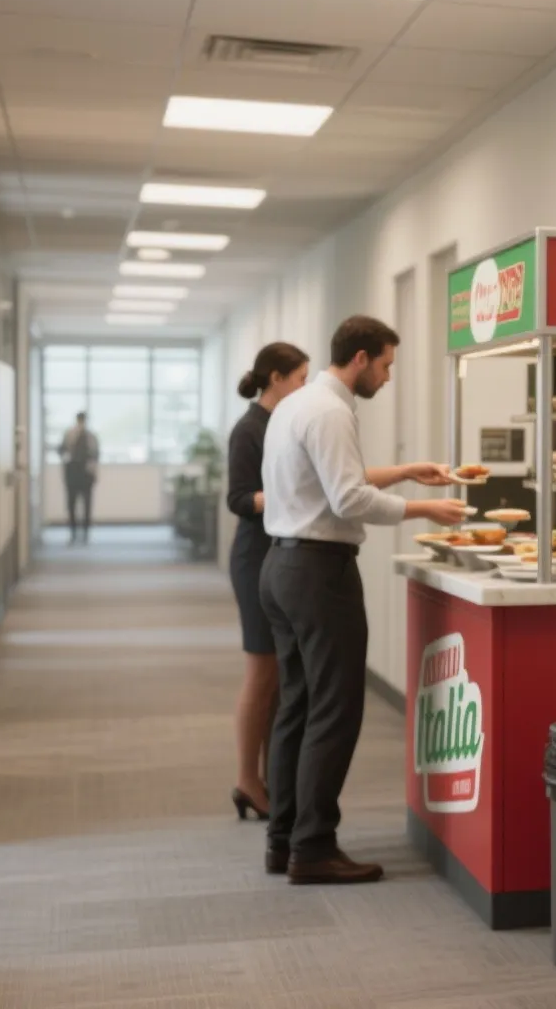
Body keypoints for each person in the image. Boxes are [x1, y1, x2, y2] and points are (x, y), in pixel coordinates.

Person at [259, 316, 466, 885]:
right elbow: (348, 499)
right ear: (360, 359)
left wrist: (405, 473)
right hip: (317, 575)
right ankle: (314, 847)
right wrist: (429, 511)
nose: (388, 377)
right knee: (334, 709)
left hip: (281, 565)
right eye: (386, 365)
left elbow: (329, 480)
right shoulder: (329, 411)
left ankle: (284, 840)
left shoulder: (297, 406)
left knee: (297, 708)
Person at [225, 342, 310, 823]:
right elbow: (238, 499)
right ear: (275, 378)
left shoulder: (281, 424)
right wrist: (289, 493)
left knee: (279, 677)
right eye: (300, 378)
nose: (304, 386)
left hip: (278, 554)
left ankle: (270, 776)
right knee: (261, 676)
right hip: (254, 557)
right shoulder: (249, 429)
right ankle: (247, 780)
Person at [57, 412, 99, 543]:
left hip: (86, 475)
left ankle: (85, 533)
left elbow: (96, 455)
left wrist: (94, 472)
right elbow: (61, 450)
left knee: (87, 505)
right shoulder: (69, 434)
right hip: (72, 473)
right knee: (71, 505)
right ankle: (73, 533)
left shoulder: (91, 436)